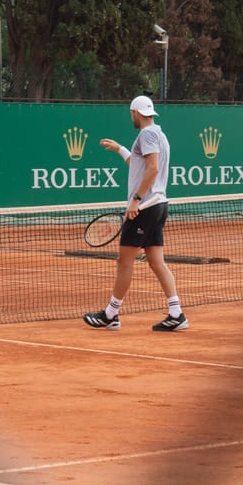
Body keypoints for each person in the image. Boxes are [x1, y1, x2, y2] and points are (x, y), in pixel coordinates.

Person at [83, 95, 187, 332]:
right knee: (156, 261)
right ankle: (176, 313)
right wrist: (119, 149)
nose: (131, 116)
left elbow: (153, 168)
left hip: (145, 208)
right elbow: (141, 166)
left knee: (124, 262)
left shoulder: (147, 134)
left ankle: (111, 314)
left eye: (131, 113)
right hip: (159, 206)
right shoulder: (160, 135)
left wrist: (136, 201)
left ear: (135, 113)